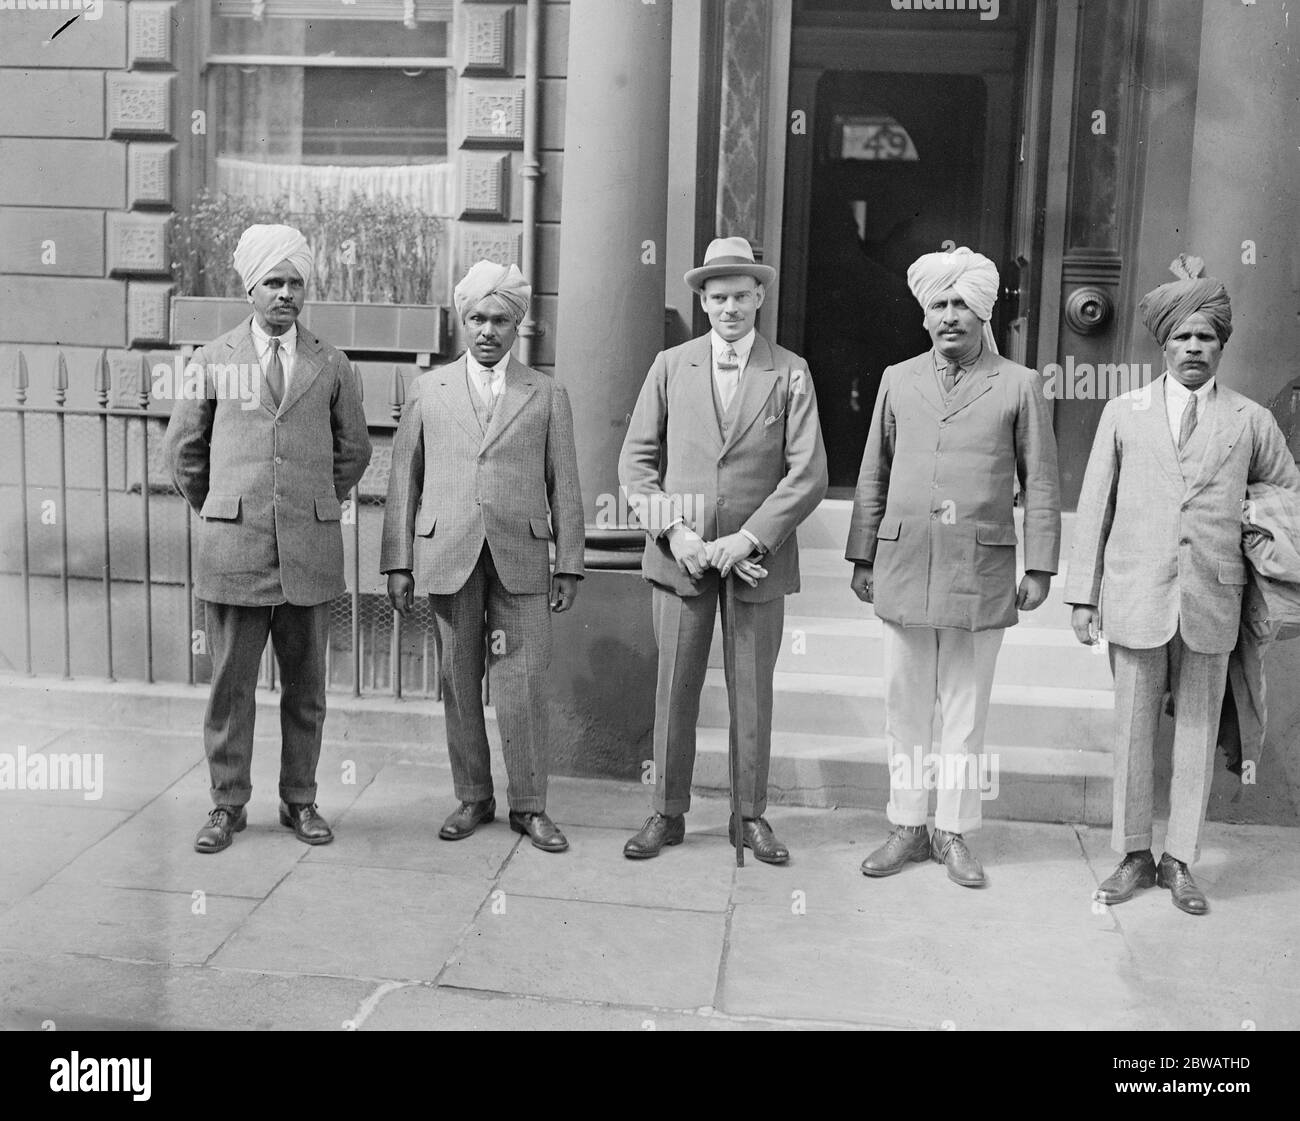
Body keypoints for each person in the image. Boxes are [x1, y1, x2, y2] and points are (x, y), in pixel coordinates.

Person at [1066, 256, 1300, 915]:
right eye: (1182, 337)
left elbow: (1287, 493)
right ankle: (1133, 853)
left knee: (1196, 729)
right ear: (1163, 344)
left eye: (1206, 338)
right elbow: (1096, 506)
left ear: (1221, 346)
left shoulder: (1249, 419)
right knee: (1134, 725)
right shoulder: (1124, 412)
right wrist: (1083, 596)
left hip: (1211, 595)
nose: (1193, 347)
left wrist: (1249, 515)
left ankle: (1180, 860)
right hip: (1136, 592)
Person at [847, 246, 1060, 887]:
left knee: (964, 711)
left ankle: (954, 832)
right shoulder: (898, 377)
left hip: (980, 565)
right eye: (939, 304)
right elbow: (872, 472)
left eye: (962, 304)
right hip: (905, 558)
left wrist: (1041, 567)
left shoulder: (1019, 384)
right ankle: (908, 825)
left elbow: (1042, 482)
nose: (950, 316)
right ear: (924, 314)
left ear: (983, 311)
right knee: (904, 703)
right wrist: (863, 553)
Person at [618, 236, 828, 863]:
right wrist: (676, 535)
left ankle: (750, 814)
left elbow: (808, 473)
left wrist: (746, 537)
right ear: (703, 302)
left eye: (741, 295)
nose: (730, 307)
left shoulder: (790, 371)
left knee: (752, 691)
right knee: (675, 686)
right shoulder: (669, 365)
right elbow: (636, 463)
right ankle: (666, 812)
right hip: (679, 558)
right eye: (718, 297)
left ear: (760, 295)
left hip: (755, 559)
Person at [166, 223, 372, 853]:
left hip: (308, 552)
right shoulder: (213, 360)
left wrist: (311, 503)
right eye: (274, 282)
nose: (286, 294)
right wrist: (224, 508)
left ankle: (300, 800)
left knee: (307, 690)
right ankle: (227, 805)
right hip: (234, 550)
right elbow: (182, 453)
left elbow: (354, 450)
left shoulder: (329, 363)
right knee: (231, 688)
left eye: (295, 283)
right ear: (250, 287)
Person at [380, 261, 583, 853]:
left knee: (523, 683)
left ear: (518, 324)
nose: (487, 330)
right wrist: (399, 562)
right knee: (458, 680)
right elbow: (403, 481)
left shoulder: (545, 393)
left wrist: (568, 564)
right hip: (448, 551)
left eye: (499, 319)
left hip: (520, 557)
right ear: (461, 321)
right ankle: (473, 795)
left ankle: (530, 805)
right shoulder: (428, 389)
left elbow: (565, 483)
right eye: (476, 318)